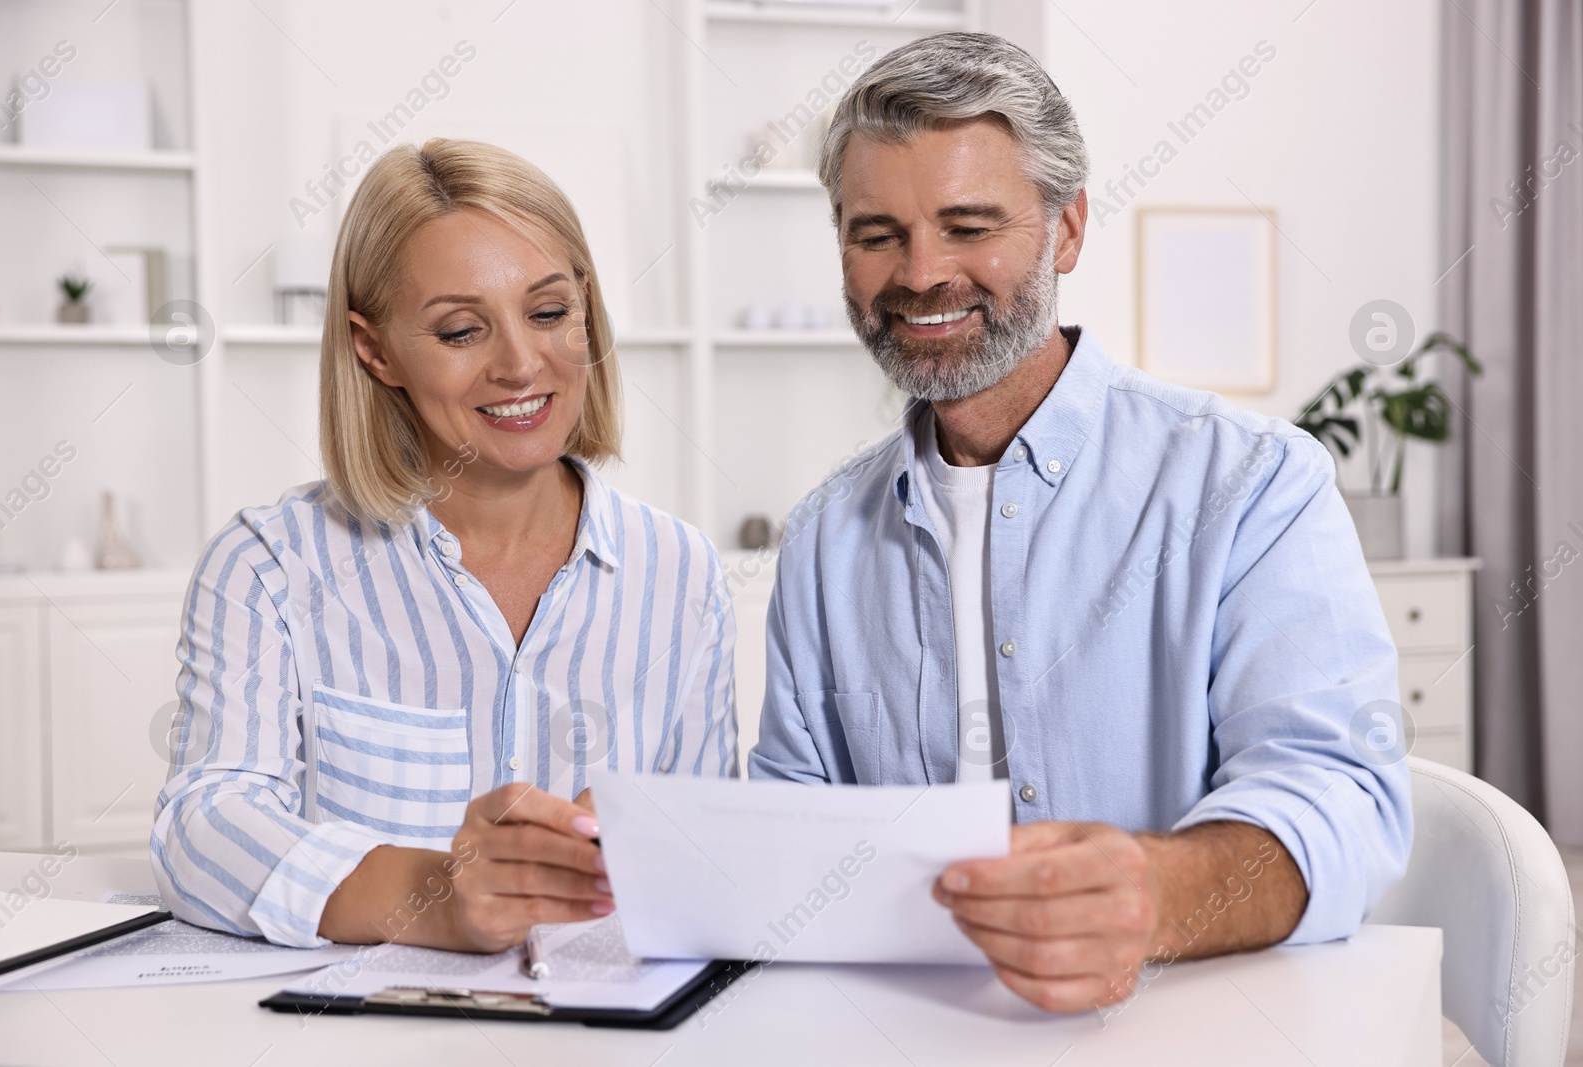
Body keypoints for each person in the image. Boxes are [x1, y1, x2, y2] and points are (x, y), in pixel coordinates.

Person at [748, 33, 1411, 1013]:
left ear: (1066, 230)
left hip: (1189, 1025)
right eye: (876, 232)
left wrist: (1153, 895)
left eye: (968, 224)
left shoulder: (1252, 482)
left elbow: (1341, 798)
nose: (921, 273)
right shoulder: (820, 538)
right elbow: (792, 839)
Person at [153, 139, 737, 952]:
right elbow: (203, 829)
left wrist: (661, 843)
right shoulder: (269, 567)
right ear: (374, 349)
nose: (522, 363)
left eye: (548, 312)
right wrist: (438, 899)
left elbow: (714, 848)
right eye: (462, 330)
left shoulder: (679, 572)